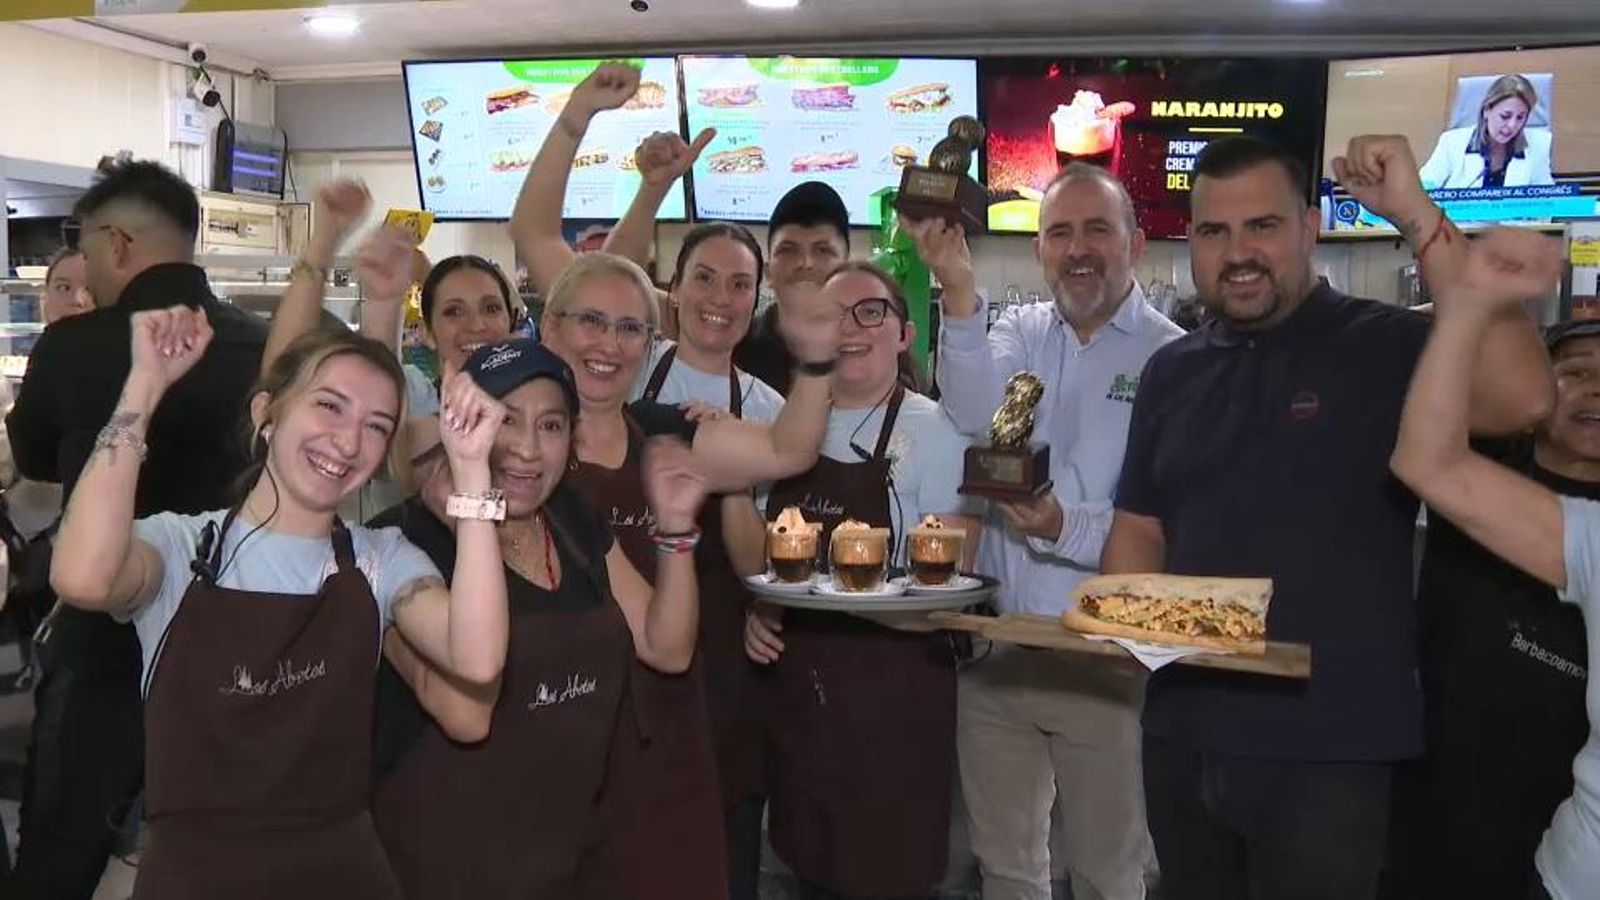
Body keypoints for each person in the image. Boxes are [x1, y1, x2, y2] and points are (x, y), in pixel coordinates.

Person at [1101, 133, 1552, 899]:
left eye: (1263, 227)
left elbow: (1519, 399)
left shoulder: (1385, 346)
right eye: (1214, 231)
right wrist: (1124, 623)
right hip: (1183, 735)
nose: (1237, 252)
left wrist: (1414, 213)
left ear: (1310, 228)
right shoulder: (1171, 370)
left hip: (1330, 751)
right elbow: (1142, 525)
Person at [47, 306, 510, 897]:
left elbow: (476, 659)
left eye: (376, 426)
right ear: (267, 415)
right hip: (199, 880)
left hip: (342, 875)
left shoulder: (381, 560)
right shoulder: (182, 548)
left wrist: (471, 474)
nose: (347, 441)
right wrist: (143, 385)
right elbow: (82, 578)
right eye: (329, 405)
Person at [914, 162, 1182, 900]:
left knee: (1108, 875)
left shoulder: (1171, 358)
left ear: (1136, 241)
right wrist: (958, 288)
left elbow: (1166, 525)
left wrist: (1063, 524)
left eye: (1098, 228)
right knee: (1006, 870)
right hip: (1000, 654)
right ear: (1039, 250)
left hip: (1110, 663)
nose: (1078, 248)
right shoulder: (1018, 330)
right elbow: (970, 416)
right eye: (1059, 232)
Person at [5, 158, 270, 897]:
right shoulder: (261, 344)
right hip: (230, 627)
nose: (85, 269)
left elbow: (31, 456)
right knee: (213, 848)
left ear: (118, 244)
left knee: (65, 842)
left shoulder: (75, 345)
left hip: (104, 631)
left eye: (86, 249)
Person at [370, 338, 713, 899]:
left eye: (551, 426)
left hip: (565, 858)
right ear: (464, 427)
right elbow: (467, 711)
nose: (528, 449)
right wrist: (468, 508)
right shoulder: (407, 541)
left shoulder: (573, 519)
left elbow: (666, 647)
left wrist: (676, 530)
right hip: (442, 870)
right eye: (504, 421)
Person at [744, 261, 980, 900]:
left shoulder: (938, 434)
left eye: (869, 312)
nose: (849, 329)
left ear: (904, 334)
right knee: (802, 868)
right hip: (800, 703)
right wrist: (763, 606)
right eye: (829, 315)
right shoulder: (784, 428)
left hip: (893, 707)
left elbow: (945, 593)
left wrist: (810, 593)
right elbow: (764, 550)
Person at [1386, 227, 1594, 900]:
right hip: (1449, 782)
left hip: (1554, 788)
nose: (1593, 393)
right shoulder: (1507, 477)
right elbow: (1429, 455)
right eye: (1577, 375)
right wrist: (1472, 293)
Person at [734, 181, 852, 396]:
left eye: (822, 250)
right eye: (788, 250)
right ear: (768, 272)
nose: (805, 263)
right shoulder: (735, 345)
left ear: (846, 267)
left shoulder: (870, 347)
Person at [1419, 74, 1554, 190]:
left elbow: (1548, 199)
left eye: (1520, 117)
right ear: (1487, 110)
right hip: (1459, 220)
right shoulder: (1452, 142)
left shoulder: (1539, 145)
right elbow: (1424, 188)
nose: (1513, 125)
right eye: (1505, 116)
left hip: (1514, 220)